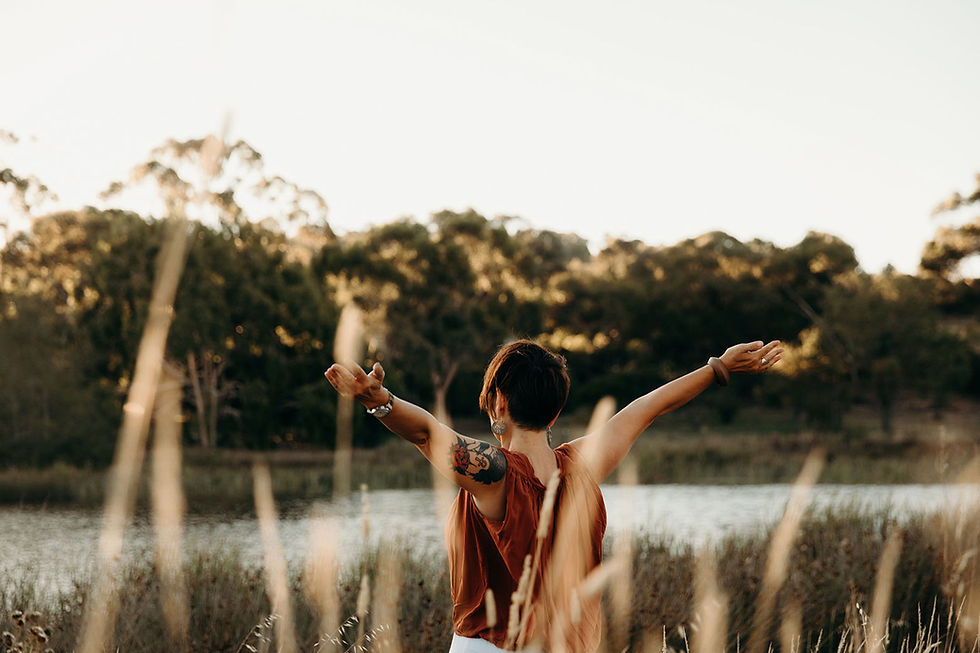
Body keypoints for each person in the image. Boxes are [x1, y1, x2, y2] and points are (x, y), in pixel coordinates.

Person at [324, 337, 782, 652]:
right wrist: (718, 368)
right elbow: (647, 408)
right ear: (555, 411)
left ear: (499, 402)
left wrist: (378, 401)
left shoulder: (495, 474)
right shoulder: (582, 466)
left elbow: (427, 433)